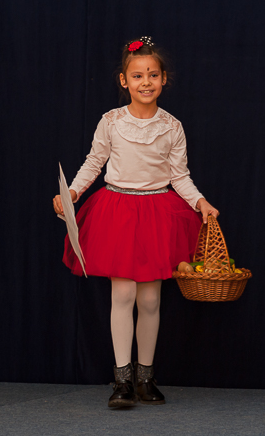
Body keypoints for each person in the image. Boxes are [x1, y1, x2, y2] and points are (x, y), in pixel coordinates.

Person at [52, 36, 219, 408]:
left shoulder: (171, 126)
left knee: (150, 299)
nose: (146, 82)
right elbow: (94, 162)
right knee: (123, 295)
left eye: (153, 75)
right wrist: (73, 192)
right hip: (118, 211)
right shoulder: (111, 121)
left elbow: (180, 176)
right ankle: (122, 380)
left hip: (157, 213)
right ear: (124, 81)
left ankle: (145, 377)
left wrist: (200, 201)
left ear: (164, 79)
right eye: (138, 75)